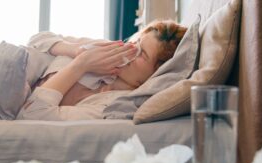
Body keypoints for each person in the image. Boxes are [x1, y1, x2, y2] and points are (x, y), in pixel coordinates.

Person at [16, 20, 187, 121]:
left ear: (154, 75)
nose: (131, 49)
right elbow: (37, 39)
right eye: (137, 42)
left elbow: (31, 114)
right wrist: (75, 50)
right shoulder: (103, 49)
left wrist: (80, 64)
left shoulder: (112, 106)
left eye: (142, 54)